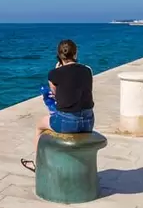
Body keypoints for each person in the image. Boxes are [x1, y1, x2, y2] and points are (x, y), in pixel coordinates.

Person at [22, 39, 94, 171]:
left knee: (40, 126)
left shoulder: (53, 74)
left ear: (59, 56)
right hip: (88, 121)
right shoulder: (88, 70)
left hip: (68, 123)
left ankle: (39, 166)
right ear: (75, 54)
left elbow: (57, 97)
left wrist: (57, 71)